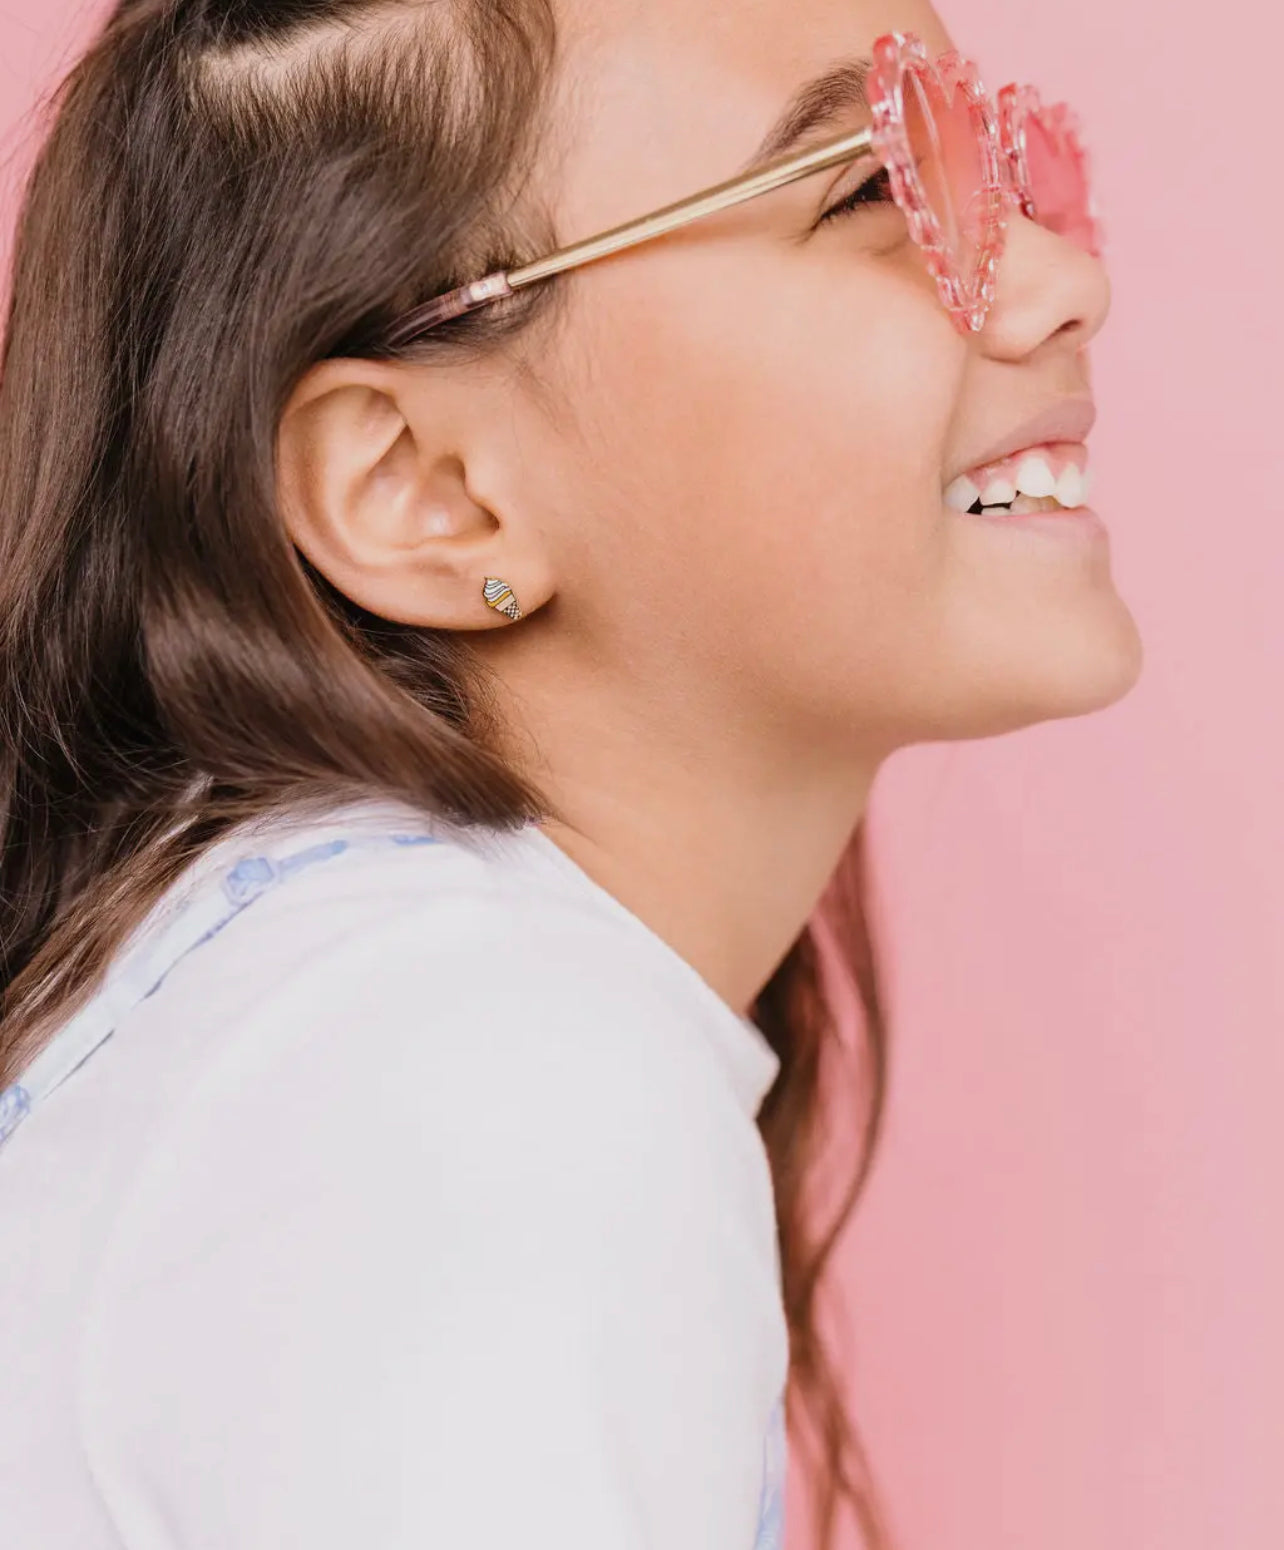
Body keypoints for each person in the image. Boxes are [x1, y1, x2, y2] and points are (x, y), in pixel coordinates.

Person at [0, 0, 1142, 1545]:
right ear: (424, 487)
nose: (1069, 282)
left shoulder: (346, 1021)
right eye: (875, 187)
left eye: (1001, 165)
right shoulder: (485, 1089)